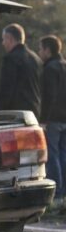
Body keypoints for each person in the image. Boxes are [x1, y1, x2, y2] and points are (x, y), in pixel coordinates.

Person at [39, 35, 66, 205]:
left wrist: (43, 120)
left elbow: (49, 97)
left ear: (48, 50)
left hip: (54, 119)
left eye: (40, 49)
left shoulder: (50, 69)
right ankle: (64, 193)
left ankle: (56, 193)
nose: (39, 52)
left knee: (53, 153)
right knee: (64, 154)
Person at [0, 23, 43, 117]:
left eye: (4, 39)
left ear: (9, 38)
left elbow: (7, 88)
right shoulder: (36, 58)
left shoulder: (11, 58)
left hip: (15, 113)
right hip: (34, 112)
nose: (3, 43)